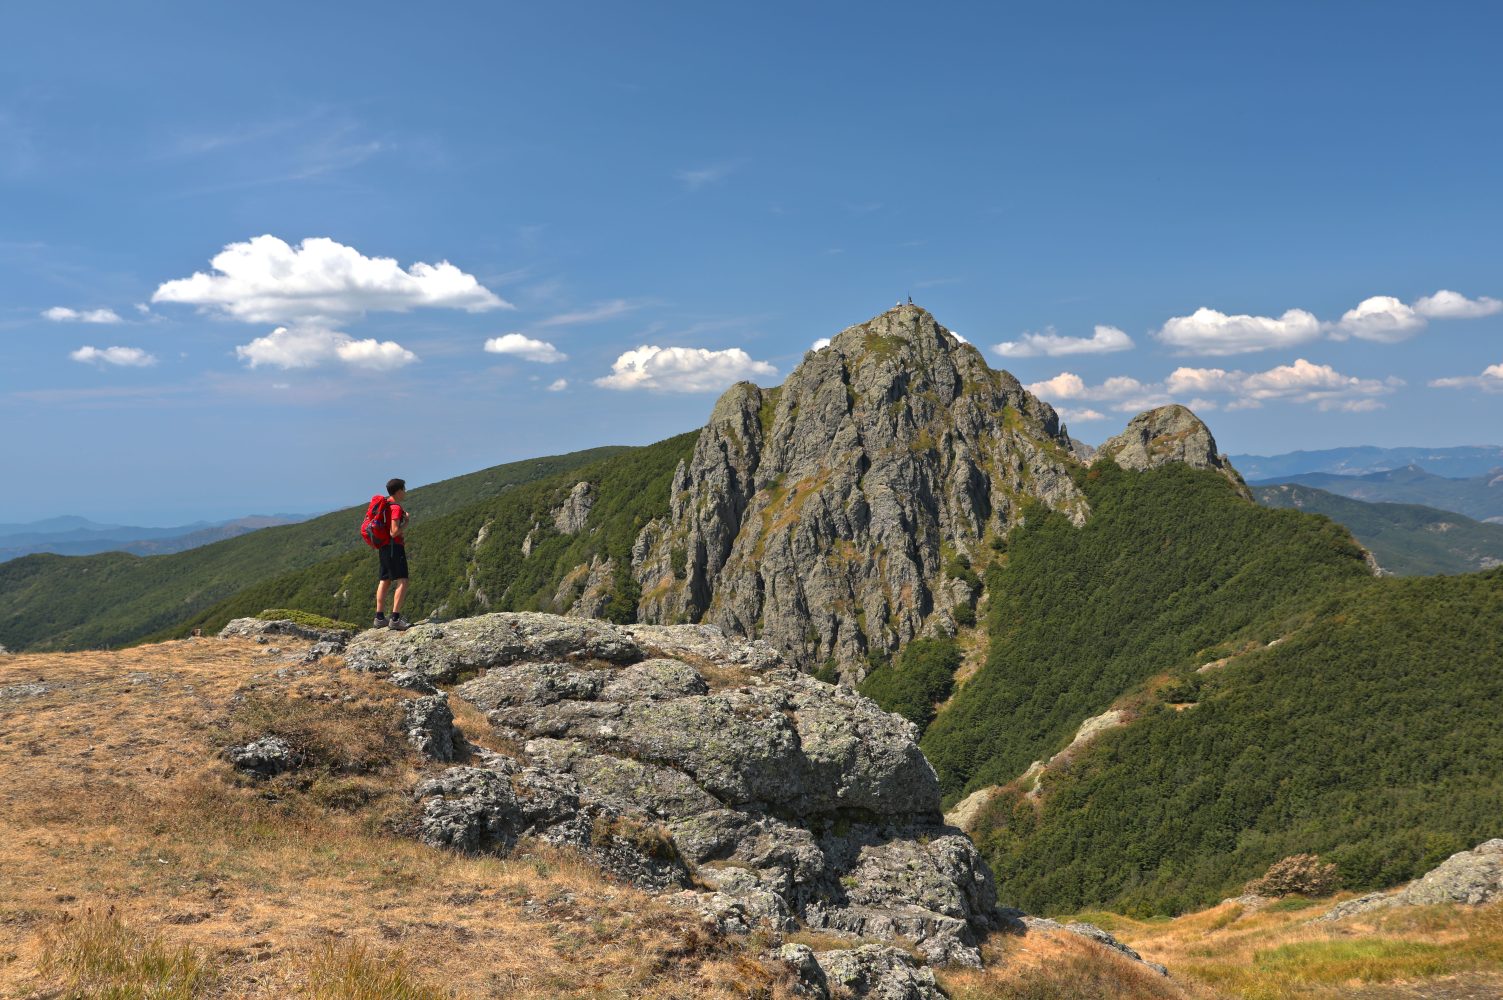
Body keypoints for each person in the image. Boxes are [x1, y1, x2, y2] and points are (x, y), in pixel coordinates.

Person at [373, 478, 411, 630]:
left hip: (383, 547)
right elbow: (394, 532)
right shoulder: (395, 507)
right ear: (399, 490)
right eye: (404, 489)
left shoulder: (385, 505)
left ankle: (379, 617)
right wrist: (406, 522)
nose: (405, 492)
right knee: (403, 580)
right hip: (394, 547)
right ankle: (395, 619)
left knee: (385, 580)